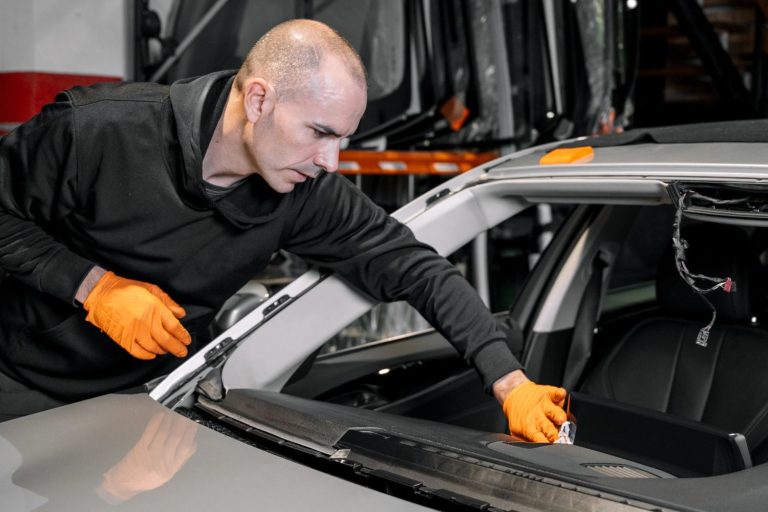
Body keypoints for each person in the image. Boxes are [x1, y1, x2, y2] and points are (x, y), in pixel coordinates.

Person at [0, 19, 566, 441]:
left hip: (148, 406)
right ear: (258, 98)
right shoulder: (100, 131)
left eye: (343, 139)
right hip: (18, 385)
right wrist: (94, 287)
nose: (330, 161)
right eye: (319, 131)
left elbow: (413, 266)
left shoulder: (302, 192)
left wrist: (510, 382)